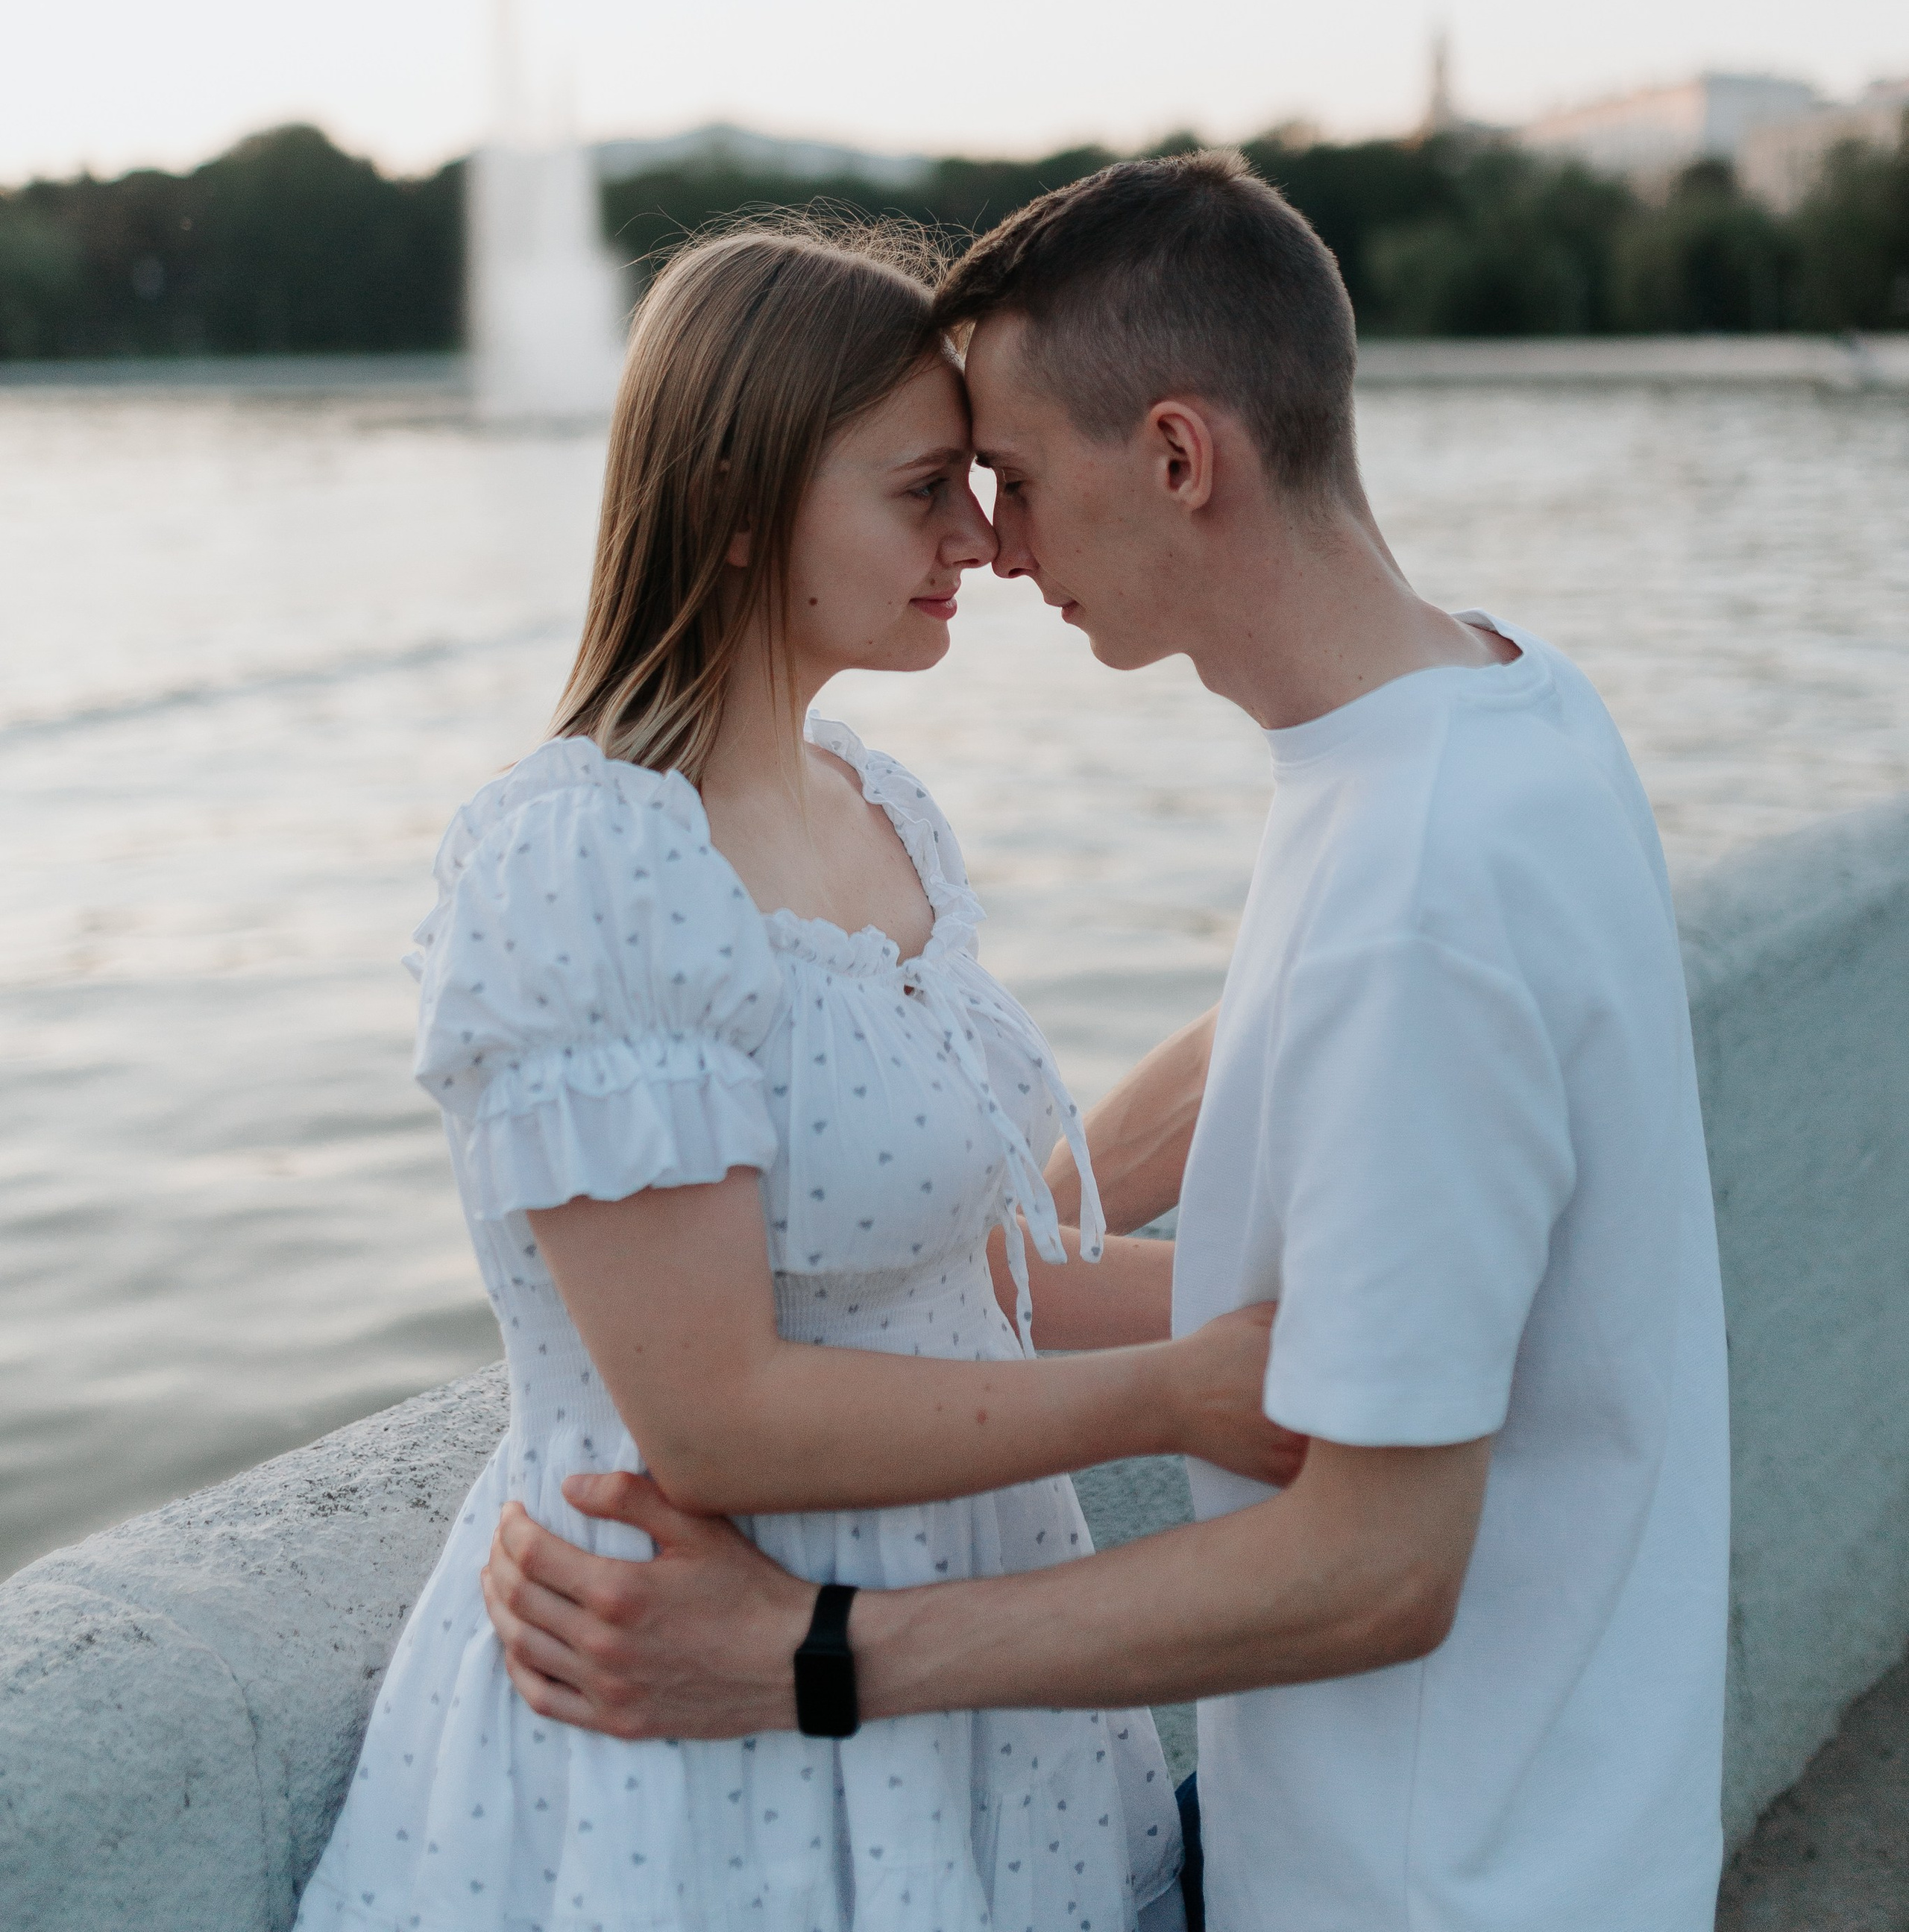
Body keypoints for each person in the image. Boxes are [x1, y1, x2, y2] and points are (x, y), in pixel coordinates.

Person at [482, 152, 1732, 1932]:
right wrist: (1020, 1224)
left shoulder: (1418, 888)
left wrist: (813, 1655)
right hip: (1545, 1811)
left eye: (1004, 476)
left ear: (1172, 455)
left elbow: (1374, 1570)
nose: (993, 544)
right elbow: (1287, 1036)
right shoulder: (1495, 708)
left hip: (1432, 1877)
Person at [294, 219, 1301, 1932]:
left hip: (948, 1659)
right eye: (923, 491)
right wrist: (1189, 1391)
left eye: (975, 487)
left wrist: (1303, 1309)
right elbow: (715, 1415)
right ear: (747, 502)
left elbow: (962, 1287)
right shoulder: (584, 863)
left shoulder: (880, 811)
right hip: (698, 1695)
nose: (981, 542)